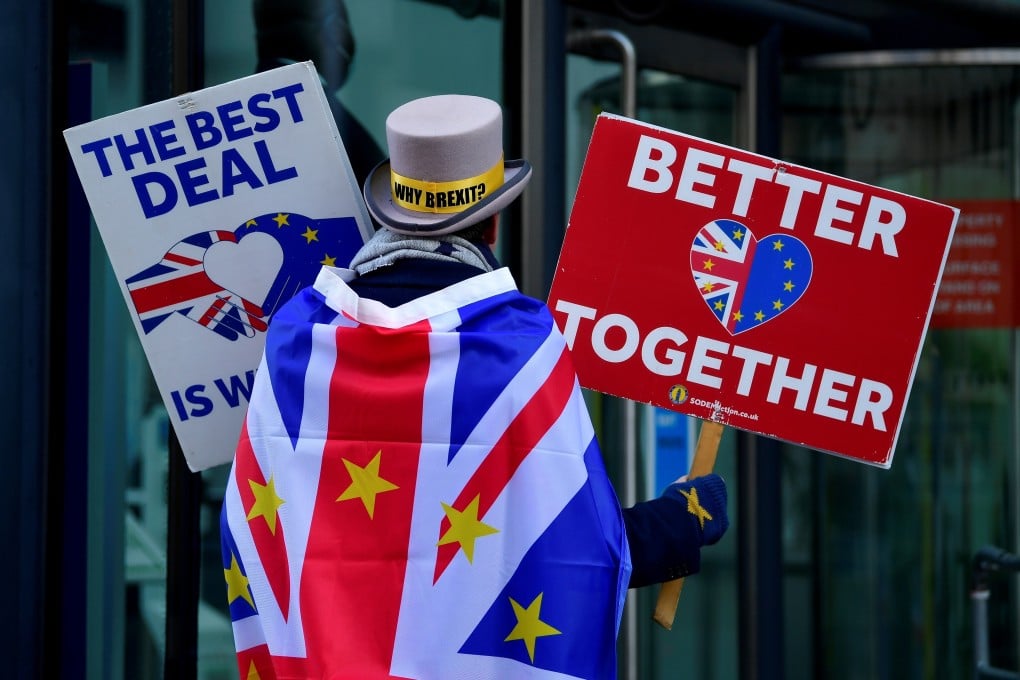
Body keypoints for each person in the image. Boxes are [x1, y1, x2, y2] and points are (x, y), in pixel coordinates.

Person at [220, 94, 728, 679]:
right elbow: (577, 549)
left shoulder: (294, 338)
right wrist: (684, 517)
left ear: (391, 212)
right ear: (492, 219)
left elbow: (253, 540)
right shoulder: (523, 349)